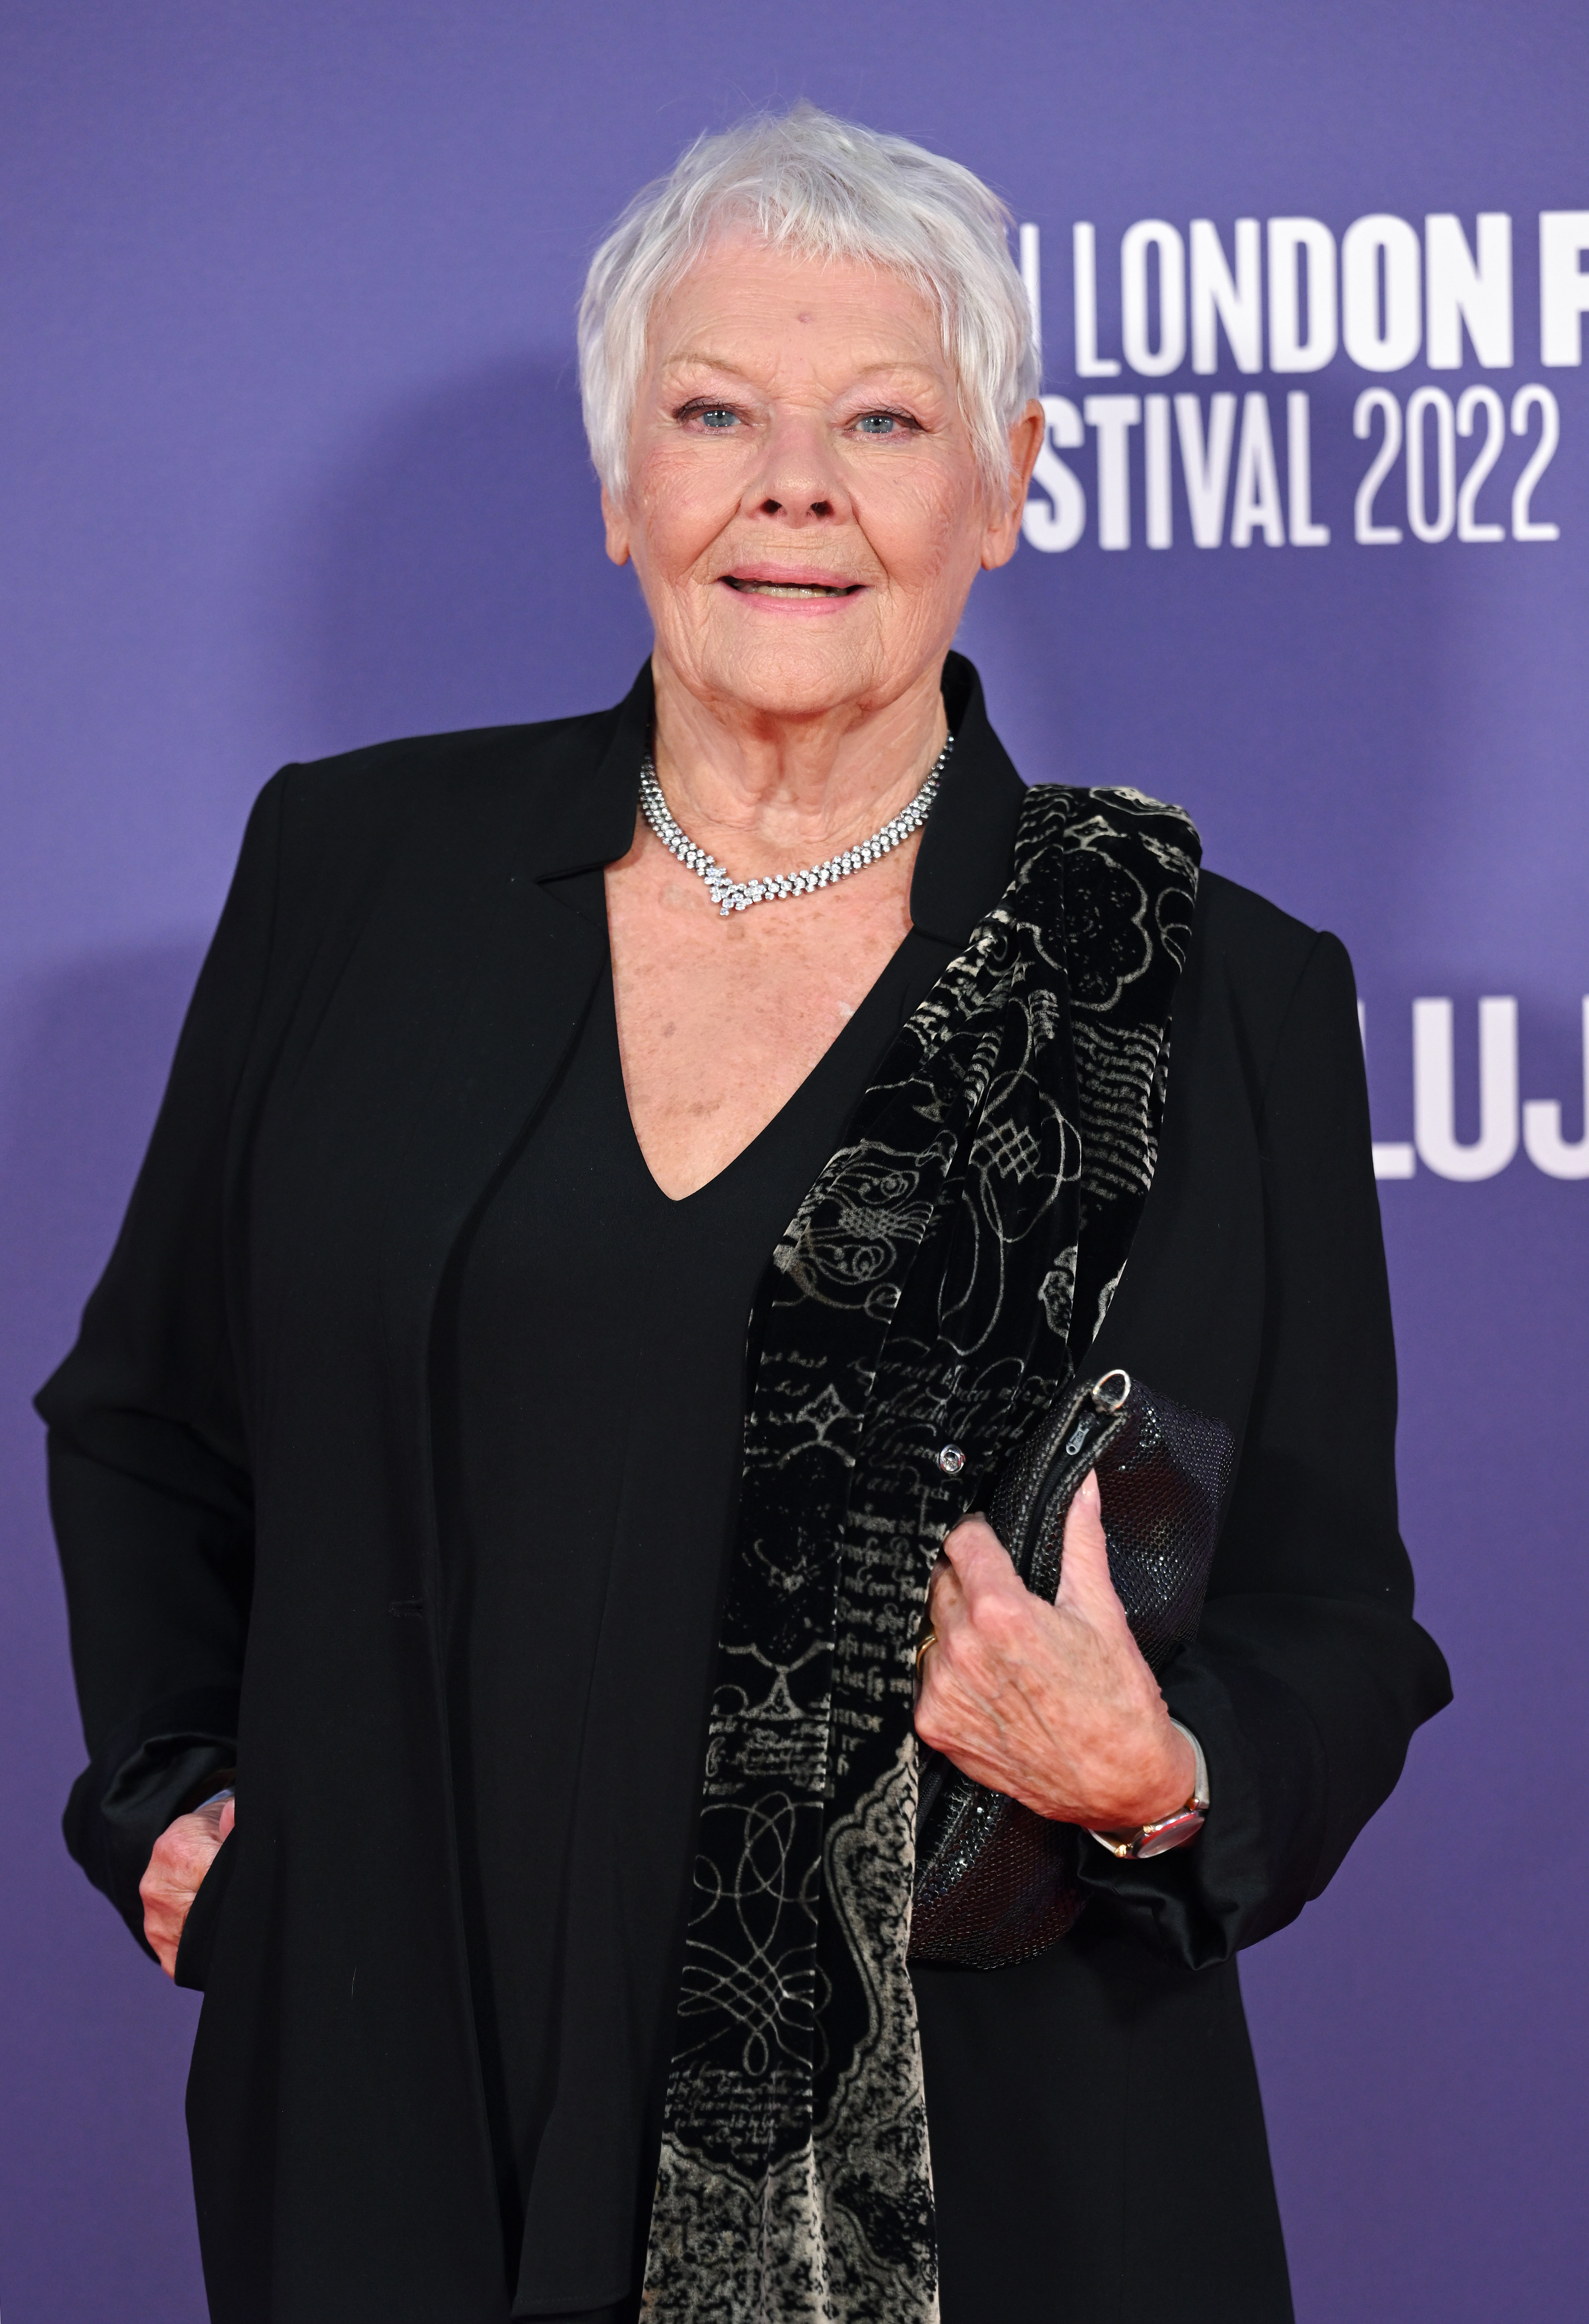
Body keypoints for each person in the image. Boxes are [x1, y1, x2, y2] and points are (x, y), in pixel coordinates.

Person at [40, 104, 1450, 2324]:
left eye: (882, 419)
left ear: (1004, 482)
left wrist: (1156, 1766)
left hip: (981, 2180)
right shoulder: (353, 872)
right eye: (715, 412)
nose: (794, 482)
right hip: (402, 2124)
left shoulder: (1201, 989)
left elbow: (1336, 1626)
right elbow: (141, 1415)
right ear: (623, 490)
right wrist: (177, 1803)